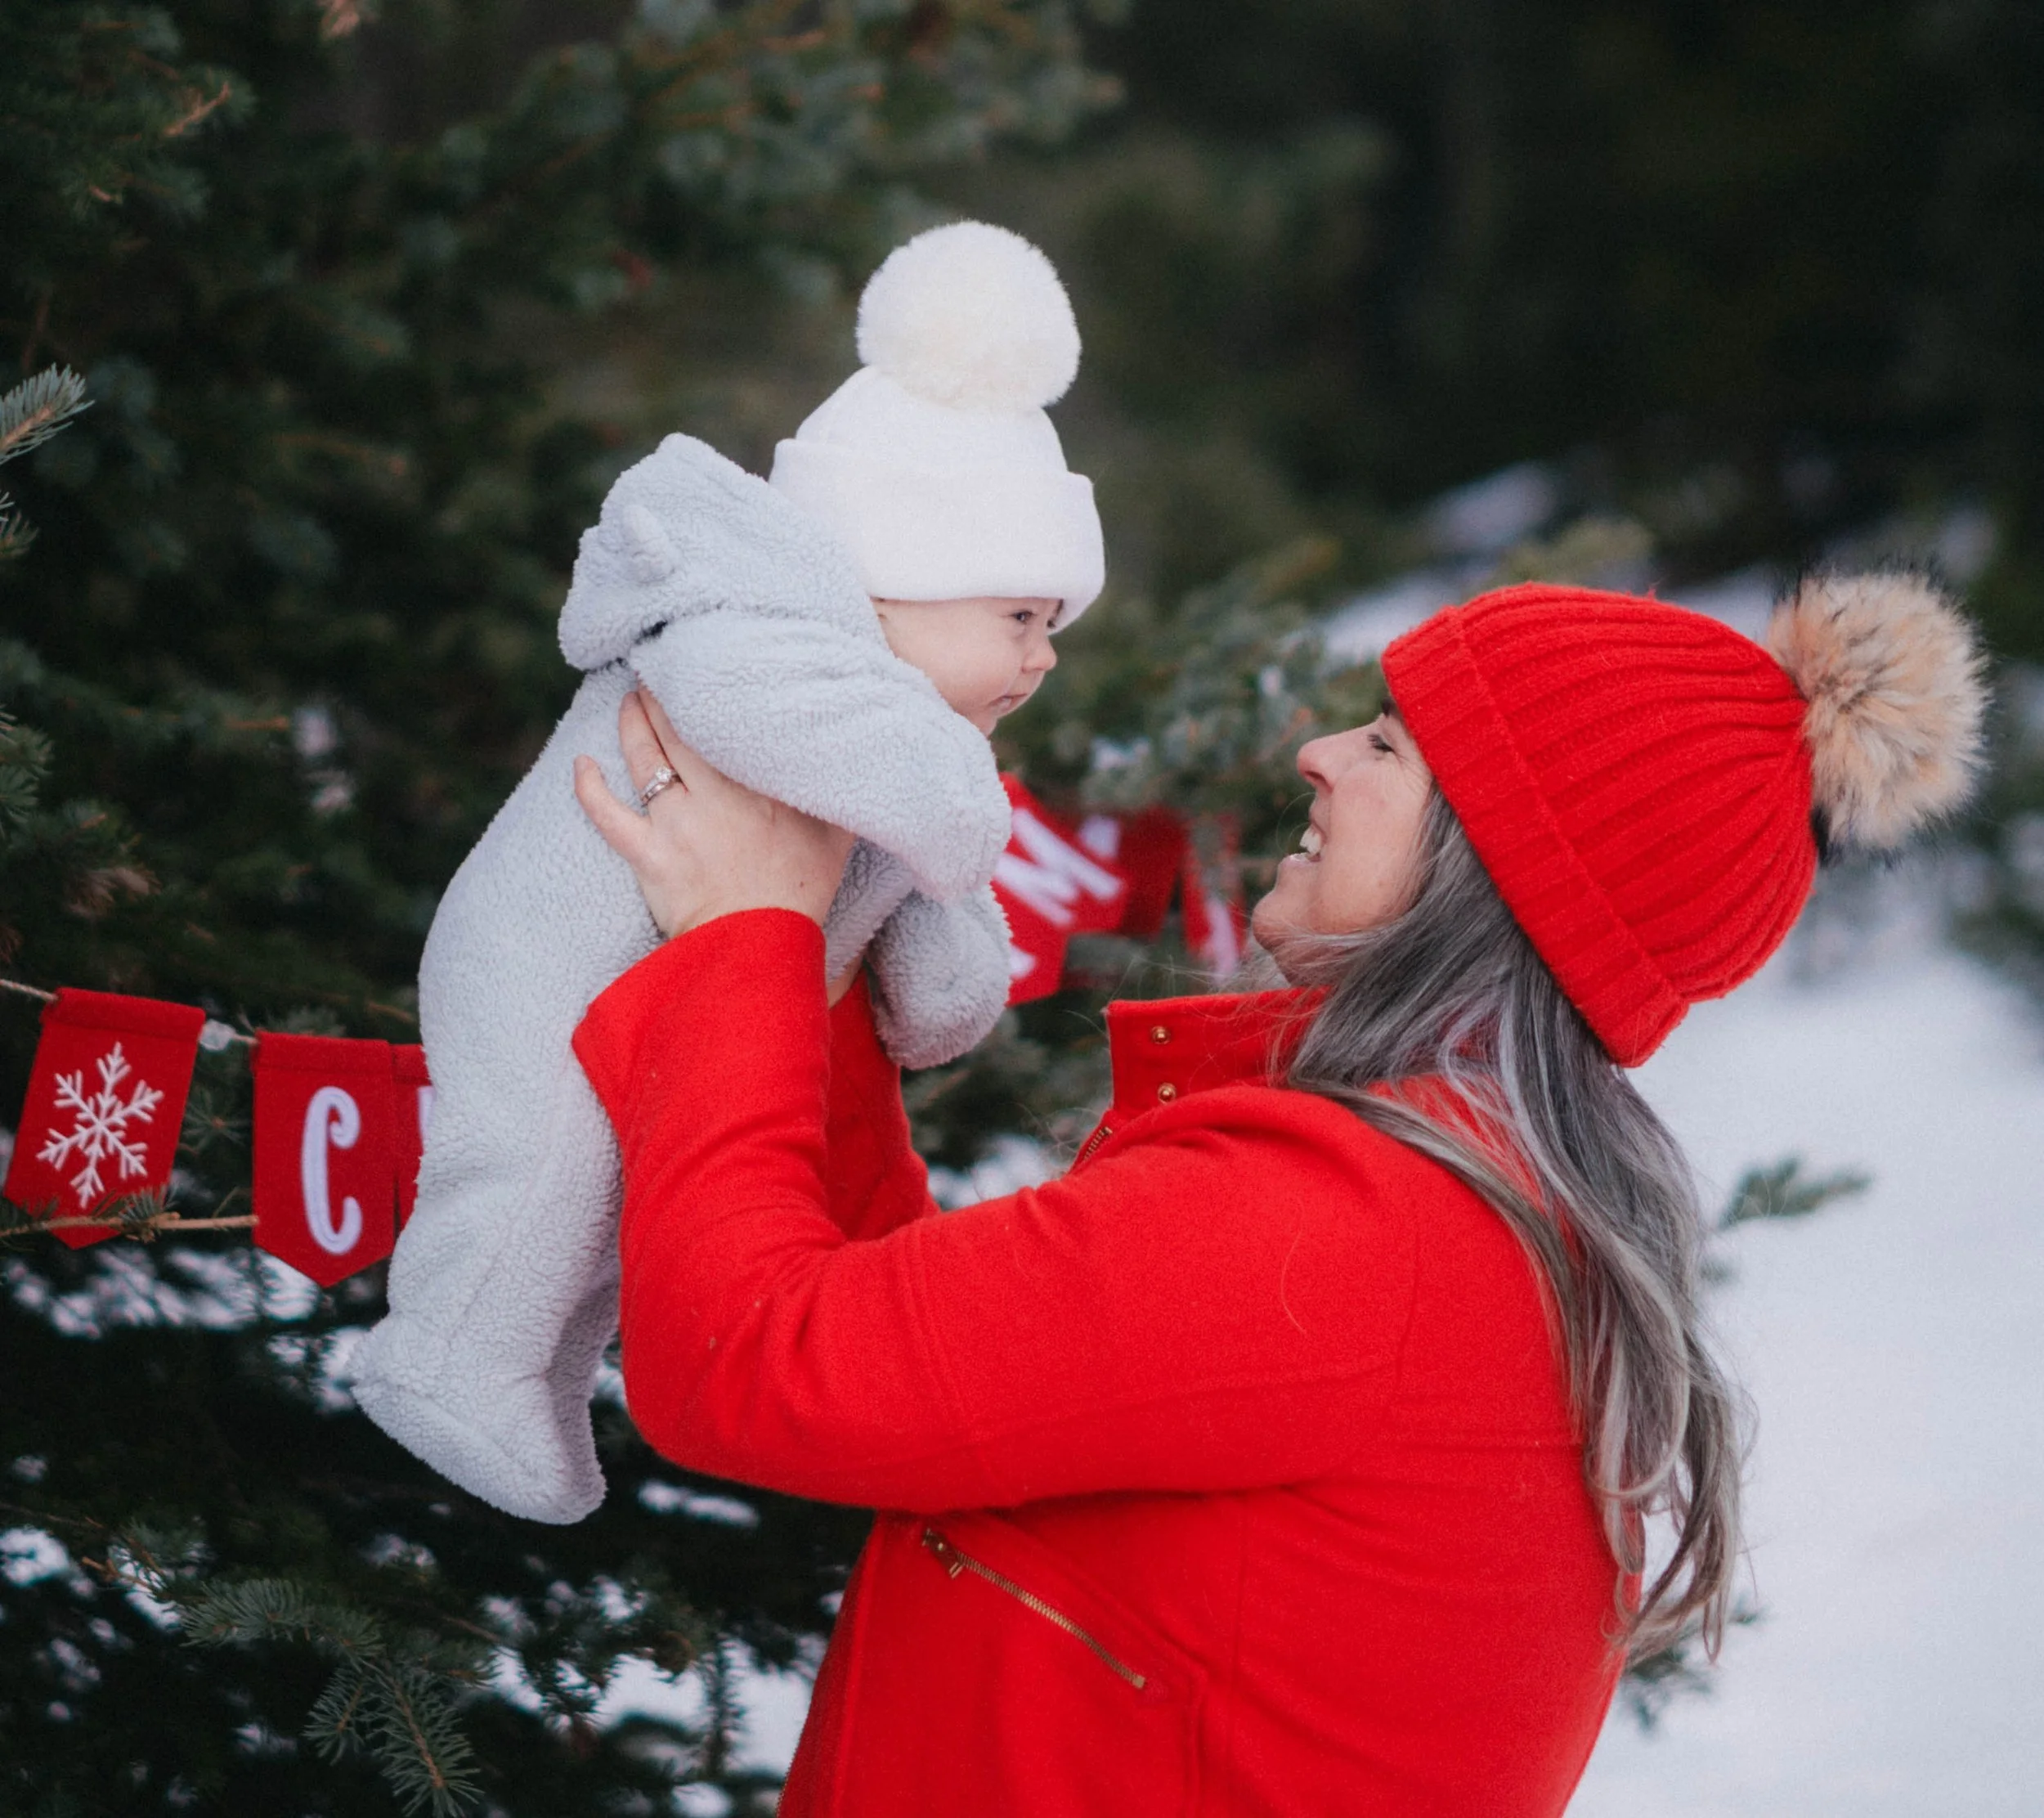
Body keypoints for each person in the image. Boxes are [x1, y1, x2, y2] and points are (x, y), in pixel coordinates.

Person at [572, 572, 1985, 1813]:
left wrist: (744, 939)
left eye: (1386, 746)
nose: (1317, 754)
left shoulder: (1354, 1229)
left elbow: (755, 1354)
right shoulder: (1461, 1216)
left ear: (1486, 873)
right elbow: (922, 1380)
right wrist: (808, 963)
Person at [352, 218, 1104, 1525]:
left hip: (658, 992)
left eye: (1052, 625)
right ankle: (449, 1356)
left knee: (604, 1218)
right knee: (544, 1168)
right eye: (1021, 618)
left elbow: (927, 975)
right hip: (544, 963)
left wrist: (948, 947)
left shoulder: (887, 747)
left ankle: (538, 1374)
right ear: (899, 577)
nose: (1042, 660)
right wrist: (954, 803)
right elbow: (799, 739)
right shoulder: (747, 631)